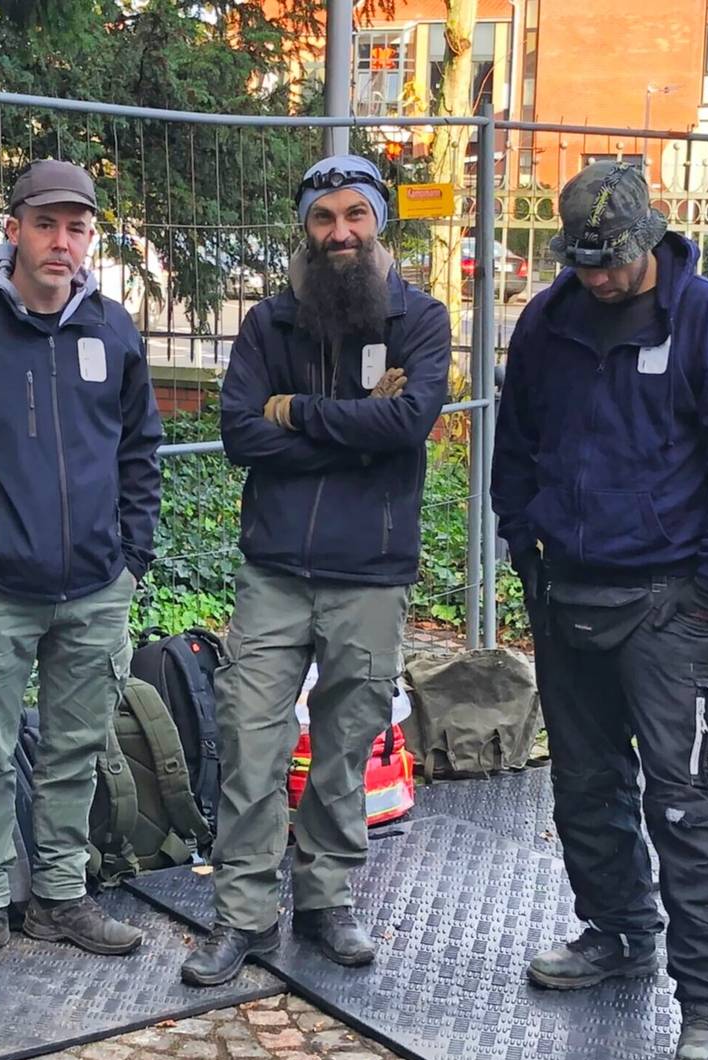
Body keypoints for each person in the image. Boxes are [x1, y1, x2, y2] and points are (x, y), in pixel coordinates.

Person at [489, 159, 708, 1060]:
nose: (600, 278)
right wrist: (523, 541)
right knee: (584, 784)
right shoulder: (550, 320)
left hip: (669, 605)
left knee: (684, 802)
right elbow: (516, 442)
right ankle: (617, 931)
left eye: (612, 261)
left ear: (650, 239)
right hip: (567, 588)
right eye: (584, 263)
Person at [180, 154, 451, 987]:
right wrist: (358, 424)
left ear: (378, 223)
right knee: (250, 738)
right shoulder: (270, 324)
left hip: (370, 571)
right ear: (305, 228)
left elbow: (407, 425)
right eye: (324, 218)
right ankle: (244, 912)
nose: (340, 232)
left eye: (355, 215)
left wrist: (295, 411)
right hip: (276, 569)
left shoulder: (419, 319)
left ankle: (326, 899)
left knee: (344, 743)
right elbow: (239, 433)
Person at [0, 159, 164, 978]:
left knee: (76, 751)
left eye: (77, 228)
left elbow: (141, 449)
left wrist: (132, 559)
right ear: (12, 229)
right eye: (45, 224)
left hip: (96, 587)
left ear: (91, 238)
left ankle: (59, 895)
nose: (61, 242)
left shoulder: (112, 329)